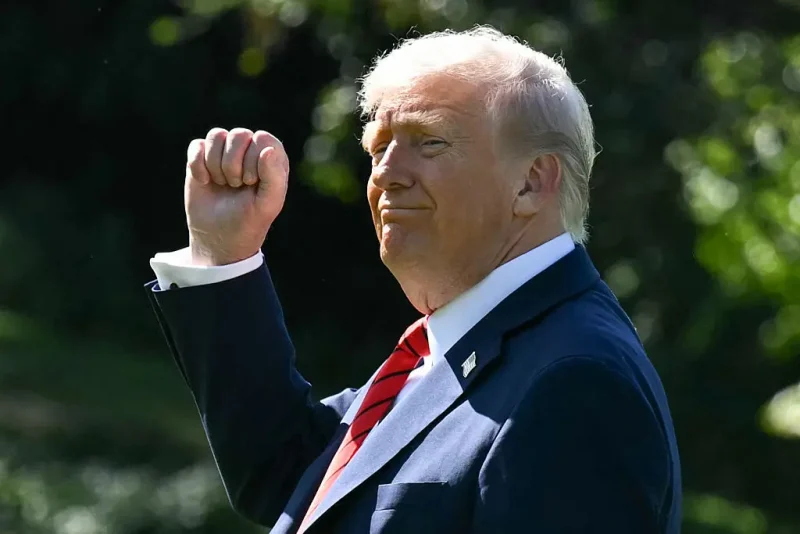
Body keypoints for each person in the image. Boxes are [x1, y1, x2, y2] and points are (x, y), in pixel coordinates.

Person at [146, 26, 682, 534]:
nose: (386, 173)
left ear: (532, 182)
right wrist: (224, 256)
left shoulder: (576, 380)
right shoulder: (462, 346)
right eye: (379, 148)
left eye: (429, 143)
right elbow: (284, 472)